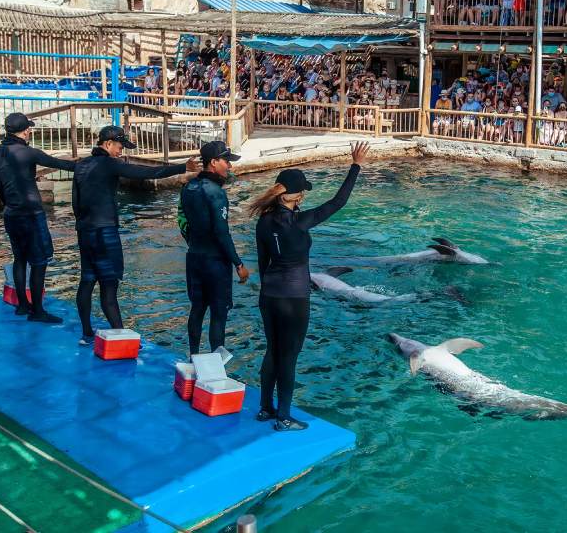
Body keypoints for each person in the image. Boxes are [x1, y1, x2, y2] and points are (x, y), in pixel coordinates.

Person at [250, 142, 370, 432]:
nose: (304, 194)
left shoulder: (263, 222)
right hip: (294, 298)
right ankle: (284, 417)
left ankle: (266, 408)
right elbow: (337, 202)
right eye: (303, 190)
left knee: (272, 352)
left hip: (269, 295)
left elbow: (263, 262)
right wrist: (355, 165)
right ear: (297, 194)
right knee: (289, 357)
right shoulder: (300, 222)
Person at [72, 125, 199, 345]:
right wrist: (181, 167)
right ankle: (121, 336)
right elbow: (146, 173)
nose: (122, 151)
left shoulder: (81, 165)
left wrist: (82, 224)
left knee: (87, 280)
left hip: (84, 230)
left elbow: (75, 201)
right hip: (105, 231)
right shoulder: (110, 164)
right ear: (108, 143)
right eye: (120, 146)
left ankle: (86, 333)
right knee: (109, 285)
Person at [0, 113, 77, 324]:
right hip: (31, 214)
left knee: (19, 258)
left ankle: (22, 305)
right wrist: (94, 162)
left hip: (11, 213)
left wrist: (9, 203)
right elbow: (63, 164)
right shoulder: (29, 153)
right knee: (39, 262)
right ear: (26, 130)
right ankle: (37, 311)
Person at [179, 141, 250, 357]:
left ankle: (193, 357)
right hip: (214, 263)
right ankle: (216, 367)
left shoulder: (187, 188)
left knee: (197, 309)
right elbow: (221, 232)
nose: (229, 166)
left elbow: (182, 223)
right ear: (213, 162)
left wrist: (194, 244)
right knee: (219, 314)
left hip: (194, 257)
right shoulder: (216, 193)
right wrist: (238, 264)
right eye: (226, 161)